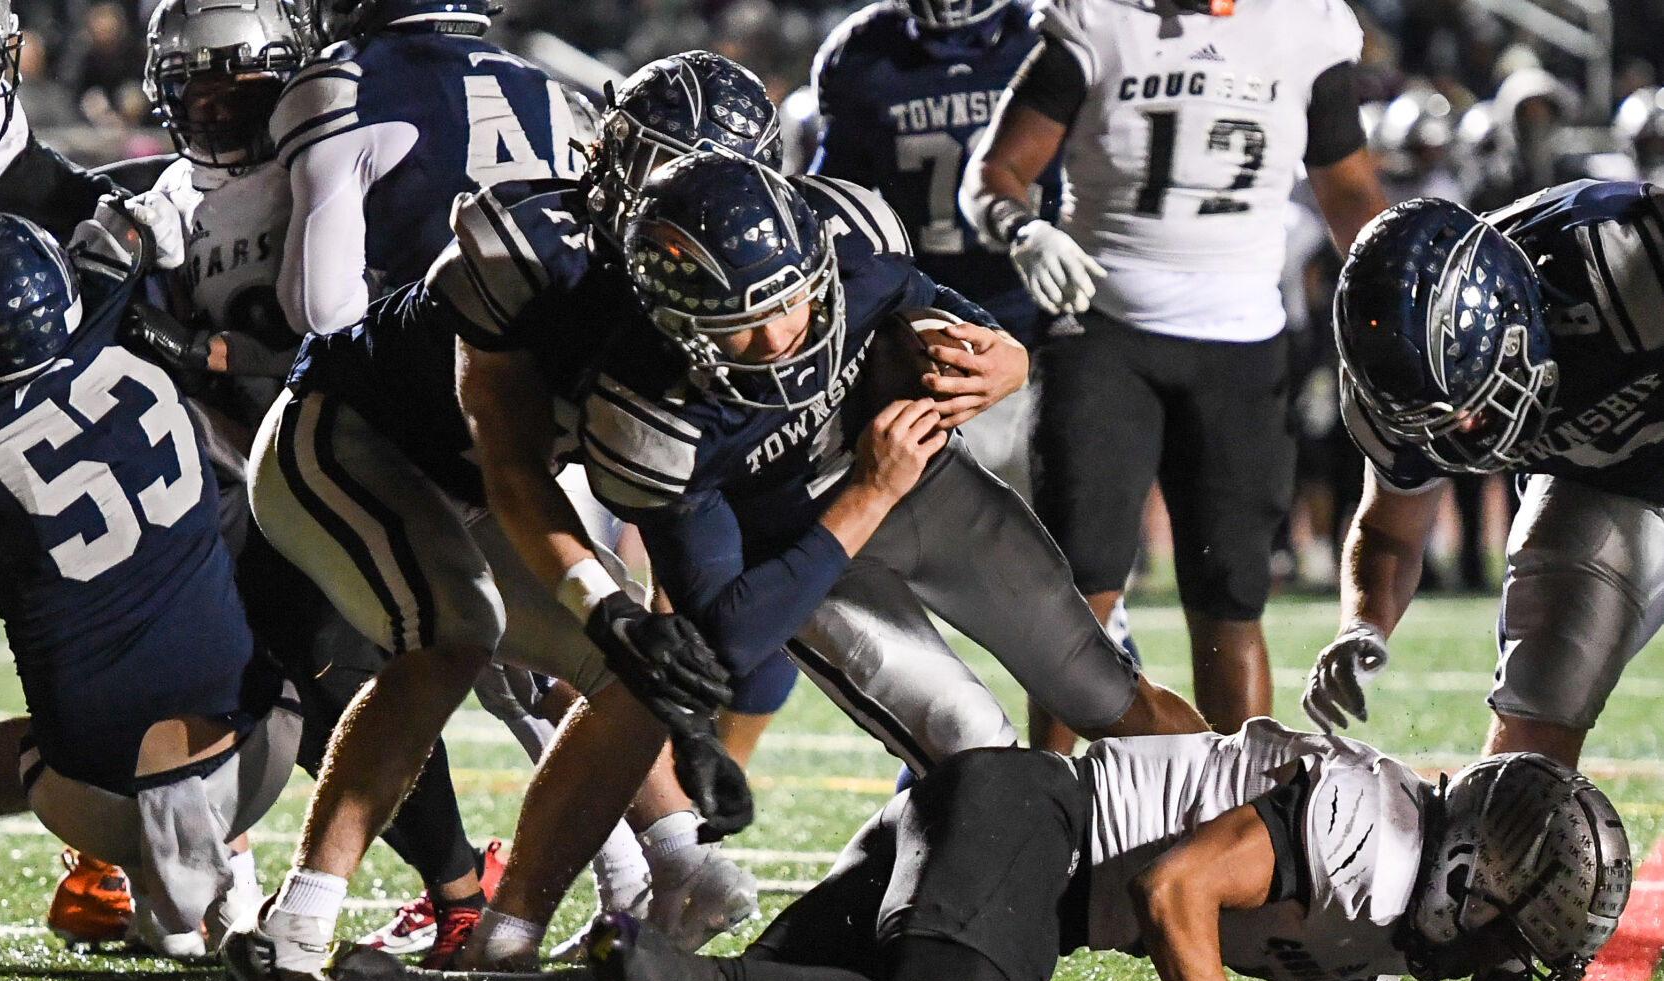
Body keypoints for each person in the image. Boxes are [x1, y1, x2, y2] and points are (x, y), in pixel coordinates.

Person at [222, 56, 758, 981]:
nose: (692, 219)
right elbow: (514, 469)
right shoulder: (530, 245)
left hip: (469, 485)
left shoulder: (727, 285)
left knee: (632, 672)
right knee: (456, 630)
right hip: (347, 435)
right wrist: (609, 604)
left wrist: (689, 719)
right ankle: (291, 935)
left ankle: (575, 916)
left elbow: (677, 505)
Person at [301, 723, 1631, 981]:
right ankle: (664, 969)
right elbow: (1176, 887)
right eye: (1514, 933)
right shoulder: (1368, 835)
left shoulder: (1392, 897)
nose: (1506, 963)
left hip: (994, 822)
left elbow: (1313, 975)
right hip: (1035, 834)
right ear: (1469, 874)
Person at [583, 152, 1205, 789]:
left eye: (788, 302)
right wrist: (870, 493)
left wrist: (1001, 354)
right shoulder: (648, 415)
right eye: (740, 324)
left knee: (1109, 694)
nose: (777, 341)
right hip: (808, 557)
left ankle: (1254, 835)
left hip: (930, 490)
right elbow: (730, 640)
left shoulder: (852, 243)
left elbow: (926, 301)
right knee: (968, 738)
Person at [124, 0, 509, 968]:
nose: (219, 112)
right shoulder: (167, 201)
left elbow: (337, 330)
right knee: (282, 665)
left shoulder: (327, 154)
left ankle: (580, 879)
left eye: (241, 88)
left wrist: (210, 352)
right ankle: (243, 880)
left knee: (506, 679)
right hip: (253, 480)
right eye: (198, 92)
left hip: (375, 450)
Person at [1304, 181, 1664, 981]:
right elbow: (1390, 529)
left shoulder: (1630, 264)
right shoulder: (1396, 376)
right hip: (1612, 486)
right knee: (1529, 738)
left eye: (1469, 399)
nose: (1465, 431)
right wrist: (1364, 621)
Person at [959, 0, 1389, 739]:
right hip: (1103, 333)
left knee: (1231, 601)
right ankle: (1057, 810)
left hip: (1244, 347)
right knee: (1078, 595)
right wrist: (1023, 227)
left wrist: (1391, 300)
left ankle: (1244, 815)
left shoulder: (1304, 25)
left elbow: (1350, 193)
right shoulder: (1097, 19)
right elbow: (994, 172)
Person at [0, 210, 300, 960]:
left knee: (64, 736)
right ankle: (242, 889)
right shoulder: (110, 317)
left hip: (93, 796)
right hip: (260, 757)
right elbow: (118, 238)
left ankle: (147, 881)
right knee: (210, 667)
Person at [809, 0, 1061, 495]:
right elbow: (835, 206)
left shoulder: (1048, 34)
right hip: (934, 319)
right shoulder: (864, 53)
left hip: (1046, 308)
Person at [268, 0, 584, 337]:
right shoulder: (548, 88)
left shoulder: (354, 77)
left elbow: (320, 313)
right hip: (564, 344)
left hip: (447, 354)